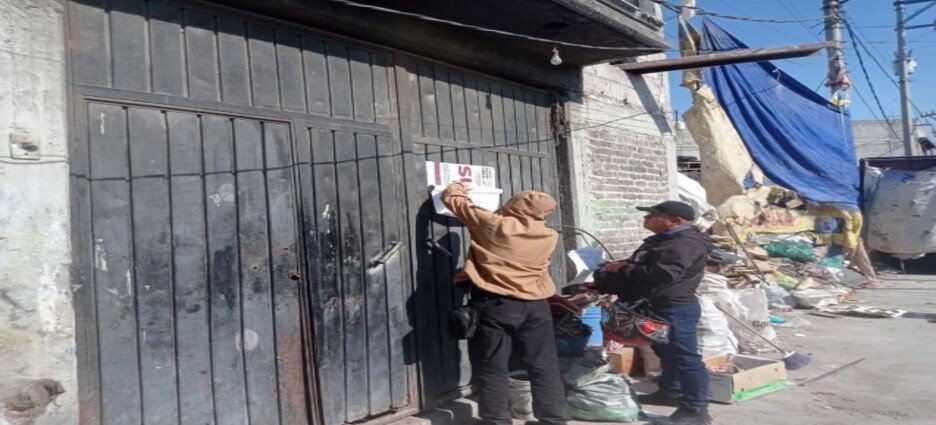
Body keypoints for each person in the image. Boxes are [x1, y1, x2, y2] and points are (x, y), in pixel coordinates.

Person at [440, 182, 568, 425]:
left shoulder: (495, 225)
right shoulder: (550, 235)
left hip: (497, 306)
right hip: (537, 307)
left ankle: (496, 420)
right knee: (544, 365)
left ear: (514, 205)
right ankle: (554, 419)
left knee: (492, 366)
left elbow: (454, 200)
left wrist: (458, 186)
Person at [590, 201, 714, 425]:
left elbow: (664, 274)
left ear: (675, 220)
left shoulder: (683, 244)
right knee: (665, 351)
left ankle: (696, 409)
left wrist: (622, 269)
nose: (646, 219)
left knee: (685, 358)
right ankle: (670, 390)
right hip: (658, 306)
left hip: (674, 308)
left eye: (653, 215)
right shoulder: (667, 240)